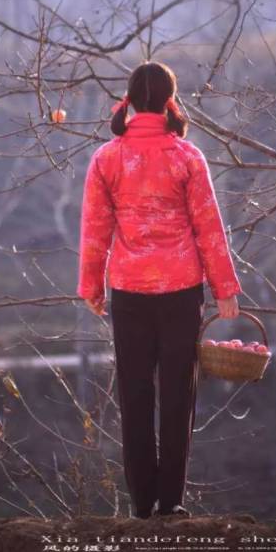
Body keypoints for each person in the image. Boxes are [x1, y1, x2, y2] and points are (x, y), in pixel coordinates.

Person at [76, 60, 243, 519]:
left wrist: (91, 286)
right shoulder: (186, 157)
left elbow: (95, 230)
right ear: (170, 101)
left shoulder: (107, 158)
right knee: (176, 395)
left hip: (128, 293)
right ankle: (172, 501)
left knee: (134, 394)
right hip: (181, 291)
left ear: (128, 101)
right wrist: (225, 287)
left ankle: (142, 504)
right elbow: (209, 227)